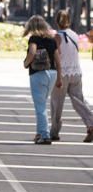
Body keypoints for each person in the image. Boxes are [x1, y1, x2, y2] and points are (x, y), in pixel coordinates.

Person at [50, 10, 93, 143]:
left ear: (57, 21)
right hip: (76, 72)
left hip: (62, 73)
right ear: (69, 21)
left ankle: (54, 132)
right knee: (79, 102)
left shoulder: (57, 36)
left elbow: (57, 55)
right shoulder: (74, 35)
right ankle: (90, 124)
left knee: (56, 103)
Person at [23, 15, 62, 145]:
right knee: (42, 105)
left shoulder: (34, 39)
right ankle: (40, 132)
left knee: (40, 107)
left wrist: (26, 63)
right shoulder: (51, 40)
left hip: (38, 74)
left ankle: (45, 136)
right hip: (52, 73)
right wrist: (60, 77)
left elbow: (32, 52)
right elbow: (58, 60)